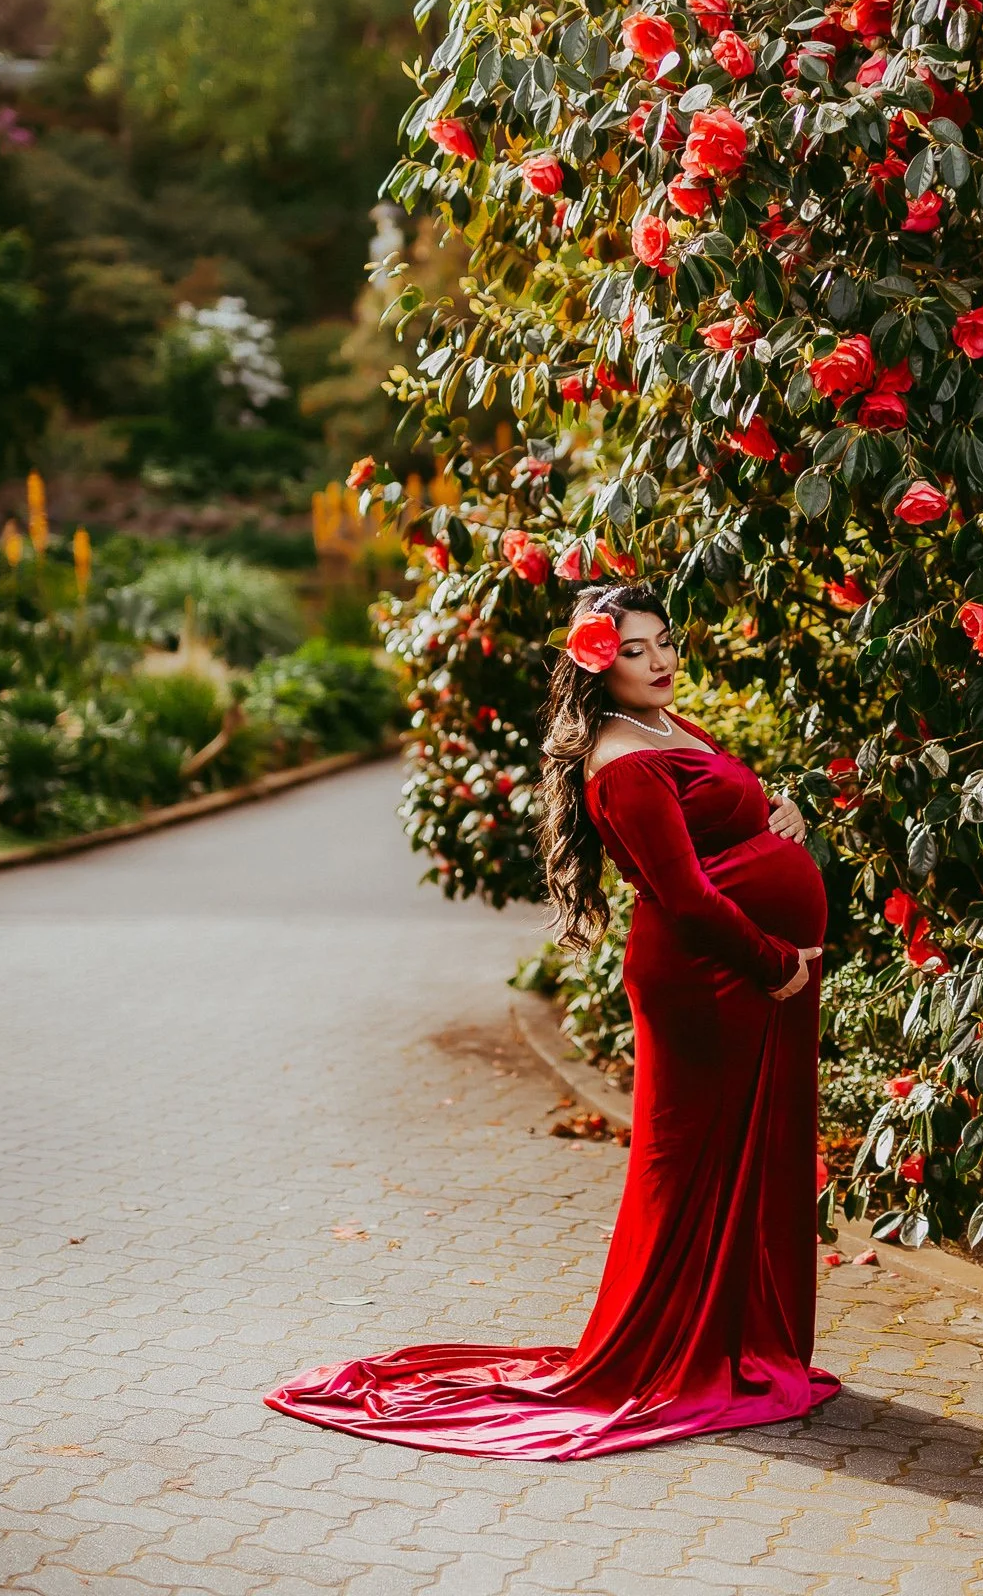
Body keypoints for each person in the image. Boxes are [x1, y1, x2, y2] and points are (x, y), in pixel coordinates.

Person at [264, 580, 840, 1458]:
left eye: (664, 641)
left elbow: (717, 828)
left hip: (757, 975)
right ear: (598, 666)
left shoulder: (667, 727)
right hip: (714, 982)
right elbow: (682, 897)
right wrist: (772, 967)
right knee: (691, 1169)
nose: (658, 661)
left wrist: (775, 816)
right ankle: (678, 1353)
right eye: (635, 650)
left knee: (748, 1159)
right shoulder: (622, 759)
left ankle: (741, 1342)